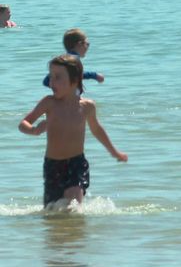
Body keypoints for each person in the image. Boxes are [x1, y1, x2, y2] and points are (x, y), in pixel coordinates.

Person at [19, 54, 127, 209]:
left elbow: (97, 130)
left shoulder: (87, 107)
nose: (51, 82)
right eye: (51, 77)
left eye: (58, 77)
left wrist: (114, 152)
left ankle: (75, 231)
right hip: (52, 166)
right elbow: (23, 124)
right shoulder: (49, 103)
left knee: (73, 205)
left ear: (75, 81)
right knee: (53, 211)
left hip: (77, 163)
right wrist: (34, 130)